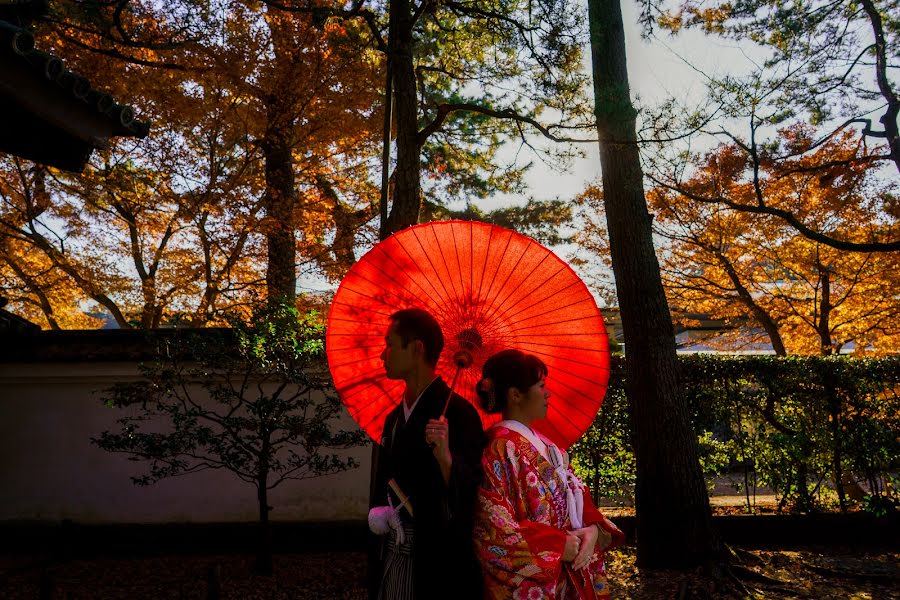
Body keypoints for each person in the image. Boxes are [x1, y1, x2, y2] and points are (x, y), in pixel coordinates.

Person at [473, 349, 625, 600]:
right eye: (541, 385)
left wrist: (593, 531)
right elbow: (492, 531)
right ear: (515, 395)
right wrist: (555, 546)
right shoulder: (495, 449)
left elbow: (579, 500)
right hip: (545, 580)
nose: (548, 393)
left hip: (571, 571)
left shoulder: (549, 446)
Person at [367, 308, 485, 600]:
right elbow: (381, 485)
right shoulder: (394, 419)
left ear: (417, 348)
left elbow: (475, 491)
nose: (384, 354)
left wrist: (446, 459)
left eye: (390, 344)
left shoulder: (459, 413)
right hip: (391, 549)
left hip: (438, 560)